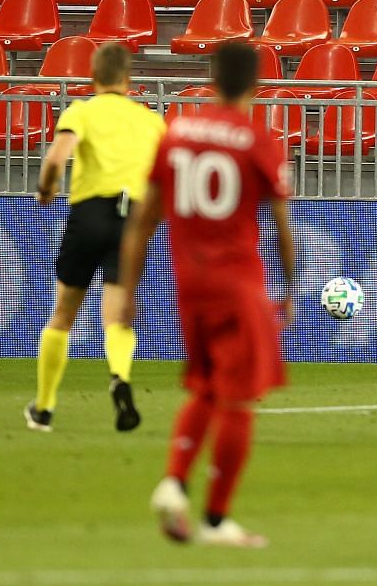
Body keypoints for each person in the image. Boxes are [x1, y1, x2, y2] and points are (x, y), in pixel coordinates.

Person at [125, 41, 295, 550]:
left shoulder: (177, 132)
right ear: (257, 84)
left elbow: (144, 217)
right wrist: (288, 288)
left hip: (190, 284)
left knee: (206, 387)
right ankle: (218, 520)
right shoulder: (257, 139)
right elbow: (281, 225)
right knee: (240, 399)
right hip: (238, 283)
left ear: (213, 78)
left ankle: (174, 483)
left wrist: (127, 289)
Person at [25, 41, 165, 433]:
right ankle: (119, 376)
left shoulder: (81, 111)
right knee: (117, 313)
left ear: (93, 78)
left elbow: (56, 157)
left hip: (89, 212)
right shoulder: (150, 120)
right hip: (132, 216)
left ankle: (45, 407)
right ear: (129, 80)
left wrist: (46, 189)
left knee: (64, 313)